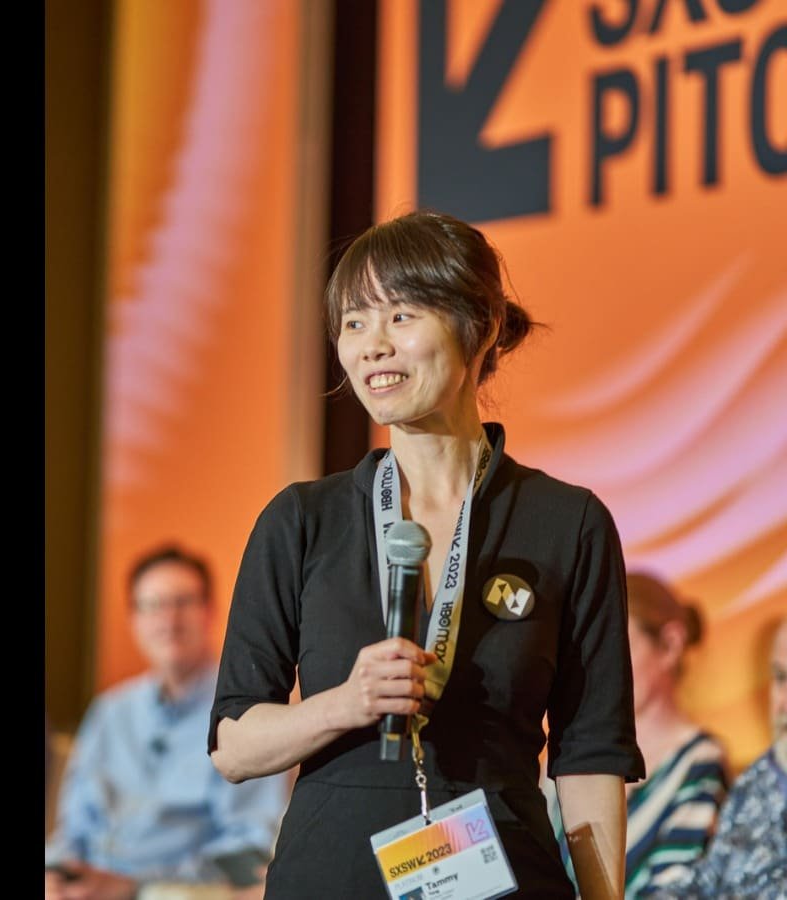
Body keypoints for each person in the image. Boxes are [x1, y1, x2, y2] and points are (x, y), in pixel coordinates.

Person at [209, 210, 644, 898]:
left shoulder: (568, 523)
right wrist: (346, 702)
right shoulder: (303, 519)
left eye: (401, 316)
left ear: (482, 326)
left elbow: (591, 754)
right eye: (354, 323)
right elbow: (233, 746)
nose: (372, 346)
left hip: (507, 876)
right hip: (332, 878)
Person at [47, 545, 289, 900]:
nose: (169, 621)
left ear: (210, 611)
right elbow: (73, 831)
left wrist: (135, 886)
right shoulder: (109, 711)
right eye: (153, 605)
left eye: (183, 602)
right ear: (134, 619)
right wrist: (55, 873)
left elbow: (247, 851)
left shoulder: (246, 714)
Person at [547, 573, 729, 896]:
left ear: (671, 645)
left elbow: (675, 888)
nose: (598, 666)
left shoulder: (698, 762)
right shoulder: (566, 752)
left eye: (614, 647)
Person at [644, 618, 787, 897]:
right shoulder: (757, 780)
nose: (783, 703)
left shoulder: (700, 761)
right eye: (780, 678)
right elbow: (709, 878)